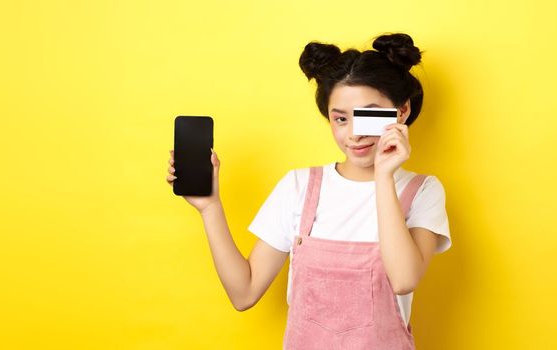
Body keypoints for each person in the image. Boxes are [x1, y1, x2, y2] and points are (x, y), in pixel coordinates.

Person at [165, 32, 451, 349]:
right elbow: (243, 293)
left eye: (369, 115)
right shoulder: (300, 186)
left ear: (402, 112)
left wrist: (384, 176)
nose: (354, 134)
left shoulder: (423, 191)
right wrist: (209, 207)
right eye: (340, 119)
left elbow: (404, 279)